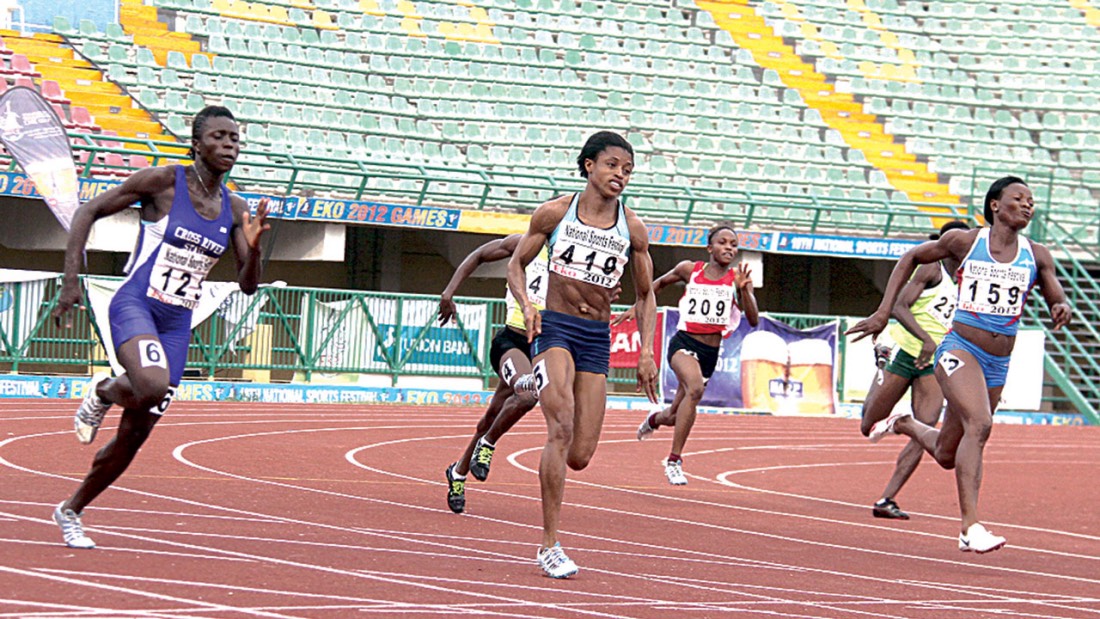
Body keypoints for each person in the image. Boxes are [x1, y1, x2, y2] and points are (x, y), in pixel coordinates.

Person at [49, 106, 270, 549]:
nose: (230, 146)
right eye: (220, 137)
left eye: (236, 139)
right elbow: (87, 212)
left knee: (135, 436)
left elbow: (248, 287)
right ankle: (103, 391)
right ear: (197, 143)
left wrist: (256, 247)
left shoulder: (236, 209)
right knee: (149, 384)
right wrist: (71, 281)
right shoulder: (163, 183)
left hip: (176, 324)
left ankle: (71, 509)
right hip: (137, 306)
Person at [847, 176, 1071, 553]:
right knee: (979, 425)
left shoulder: (1038, 254)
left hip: (998, 361)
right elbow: (911, 258)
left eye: (1031, 200)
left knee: (949, 453)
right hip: (959, 348)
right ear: (996, 205)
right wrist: (884, 312)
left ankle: (904, 423)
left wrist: (1060, 305)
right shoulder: (966, 242)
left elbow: (1055, 292)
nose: (1028, 205)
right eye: (1019, 198)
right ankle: (970, 528)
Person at [507, 131, 658, 578]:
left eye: (627, 170)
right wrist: (527, 306)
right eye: (612, 165)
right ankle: (548, 544)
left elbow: (646, 295)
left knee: (581, 454)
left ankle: (548, 392)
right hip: (555, 327)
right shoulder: (556, 213)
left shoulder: (632, 228)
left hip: (596, 336)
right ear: (589, 166)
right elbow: (516, 263)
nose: (620, 176)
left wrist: (646, 350)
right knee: (561, 425)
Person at [621, 222, 759, 485]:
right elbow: (656, 286)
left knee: (674, 416)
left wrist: (743, 291)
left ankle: (654, 419)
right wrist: (636, 306)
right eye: (723, 242)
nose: (729, 248)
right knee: (694, 389)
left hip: (710, 352)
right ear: (709, 247)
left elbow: (753, 319)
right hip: (683, 344)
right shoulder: (690, 270)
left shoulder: (738, 280)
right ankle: (674, 460)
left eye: (733, 245)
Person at [861, 220, 969, 520]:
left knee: (926, 428)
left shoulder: (969, 277)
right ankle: (882, 359)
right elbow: (899, 307)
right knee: (868, 424)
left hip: (933, 361)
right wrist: (925, 340)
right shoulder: (931, 269)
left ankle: (887, 499)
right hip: (905, 351)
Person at [438, 233, 546, 514]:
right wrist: (448, 293)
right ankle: (487, 445)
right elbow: (477, 256)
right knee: (527, 392)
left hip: (544, 347)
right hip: (511, 340)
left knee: (493, 413)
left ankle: (458, 472)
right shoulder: (522, 243)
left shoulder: (573, 257)